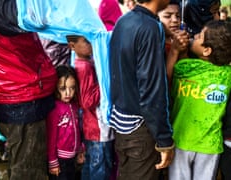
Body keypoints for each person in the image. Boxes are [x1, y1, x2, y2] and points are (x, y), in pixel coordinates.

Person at [0, 0, 58, 179]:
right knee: (29, 170)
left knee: (23, 162)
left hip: (17, 92)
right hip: (22, 93)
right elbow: (37, 19)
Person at [109, 0, 175, 179]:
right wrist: (164, 140)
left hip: (122, 124)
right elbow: (152, 91)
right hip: (141, 129)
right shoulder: (150, 28)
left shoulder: (124, 21)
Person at [168, 20, 231, 180]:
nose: (194, 36)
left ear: (207, 50)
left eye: (199, 36)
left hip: (181, 140)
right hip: (209, 145)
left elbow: (165, 82)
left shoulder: (184, 68)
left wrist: (175, 51)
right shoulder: (227, 75)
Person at [66, 34, 115, 180]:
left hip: (91, 128)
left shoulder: (82, 63)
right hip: (97, 128)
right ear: (72, 46)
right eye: (86, 41)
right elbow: (88, 101)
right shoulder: (84, 66)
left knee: (91, 167)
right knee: (100, 168)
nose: (91, 44)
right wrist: (104, 81)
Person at [47, 65, 84, 180]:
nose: (68, 93)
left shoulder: (74, 105)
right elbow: (51, 137)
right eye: (62, 88)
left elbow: (77, 130)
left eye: (72, 88)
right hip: (60, 160)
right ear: (55, 87)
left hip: (72, 158)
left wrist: (80, 149)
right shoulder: (54, 109)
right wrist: (53, 161)